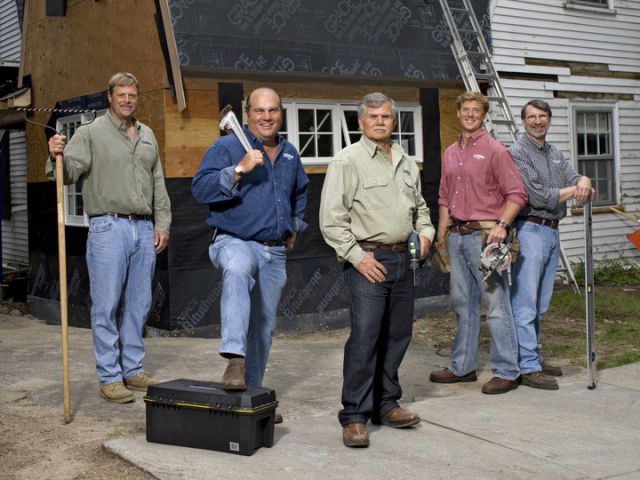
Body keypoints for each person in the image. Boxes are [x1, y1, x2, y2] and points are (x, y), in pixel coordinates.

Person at [47, 72, 171, 404]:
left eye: (132, 95)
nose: (127, 100)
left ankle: (133, 370)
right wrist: (56, 152)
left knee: (139, 303)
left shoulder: (147, 135)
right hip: (108, 227)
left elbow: (158, 180)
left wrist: (163, 223)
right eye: (121, 95)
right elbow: (68, 172)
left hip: (144, 229)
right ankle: (110, 376)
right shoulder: (90, 133)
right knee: (106, 305)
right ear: (110, 97)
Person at [319, 92, 435, 448]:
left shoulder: (404, 160)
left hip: (405, 259)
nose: (380, 121)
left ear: (394, 121)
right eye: (373, 117)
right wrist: (357, 257)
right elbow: (331, 220)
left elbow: (421, 209)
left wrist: (427, 235)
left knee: (398, 335)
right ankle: (354, 415)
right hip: (369, 261)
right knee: (365, 337)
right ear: (361, 122)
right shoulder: (346, 161)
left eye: (386, 116)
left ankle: (386, 403)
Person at [191, 87, 309, 402]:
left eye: (272, 110)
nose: (266, 117)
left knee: (263, 328)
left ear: (280, 114)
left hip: (274, 251)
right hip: (234, 240)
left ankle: (251, 395)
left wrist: (294, 224)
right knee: (237, 268)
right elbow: (200, 189)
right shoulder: (227, 146)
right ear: (246, 115)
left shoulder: (289, 153)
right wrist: (239, 169)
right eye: (259, 110)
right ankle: (234, 358)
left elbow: (300, 192)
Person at [429, 91, 527, 395]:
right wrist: (442, 231)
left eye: (476, 110)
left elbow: (517, 195)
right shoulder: (449, 152)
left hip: (485, 237)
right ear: (458, 114)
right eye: (465, 110)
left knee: (496, 305)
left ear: (483, 115)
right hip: (456, 237)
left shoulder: (496, 150)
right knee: (462, 304)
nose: (470, 114)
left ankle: (508, 370)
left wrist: (502, 225)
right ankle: (463, 367)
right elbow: (444, 196)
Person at [509, 99, 593, 390]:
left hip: (551, 231)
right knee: (525, 302)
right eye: (531, 117)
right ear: (523, 121)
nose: (537, 121)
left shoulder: (554, 152)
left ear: (549, 119)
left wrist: (584, 178)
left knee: (541, 302)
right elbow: (538, 196)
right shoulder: (517, 152)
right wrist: (576, 189)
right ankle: (528, 367)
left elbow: (572, 176)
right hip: (529, 229)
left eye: (542, 116)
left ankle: (533, 354)